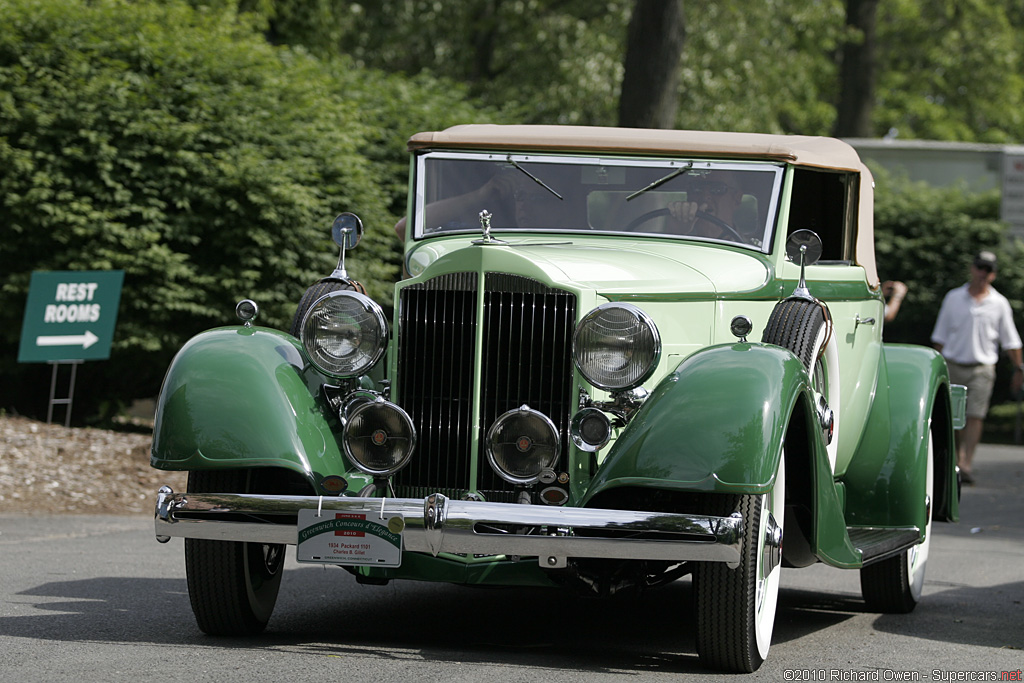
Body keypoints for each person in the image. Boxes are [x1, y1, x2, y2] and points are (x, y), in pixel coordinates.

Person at [931, 250, 1024, 484]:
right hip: (953, 363)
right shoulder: (953, 297)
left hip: (983, 367)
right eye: (980, 267)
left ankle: (966, 462)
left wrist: (1019, 368)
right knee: (953, 417)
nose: (983, 273)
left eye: (989, 270)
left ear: (993, 275)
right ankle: (953, 461)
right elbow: (940, 336)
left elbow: (1010, 340)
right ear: (973, 268)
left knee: (975, 416)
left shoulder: (999, 303)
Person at [667, 170, 748, 242]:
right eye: (697, 188)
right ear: (689, 195)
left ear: (736, 199)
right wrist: (677, 233)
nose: (705, 196)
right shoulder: (679, 245)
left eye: (717, 189)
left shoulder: (750, 250)